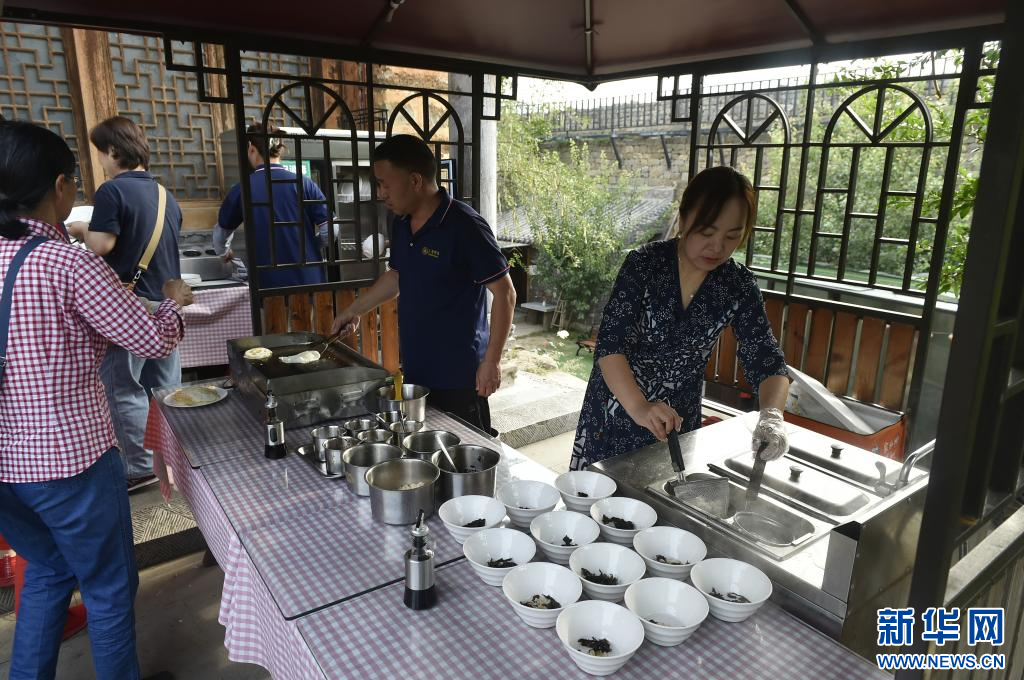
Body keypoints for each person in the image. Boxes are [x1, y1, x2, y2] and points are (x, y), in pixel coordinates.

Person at [0, 120, 192, 680]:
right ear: (60, 186)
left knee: (48, 571)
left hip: (7, 469)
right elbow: (150, 337)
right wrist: (173, 301)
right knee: (109, 588)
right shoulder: (67, 263)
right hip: (70, 461)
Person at [570, 166, 790, 471]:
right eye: (707, 232)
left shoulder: (737, 285)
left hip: (678, 420)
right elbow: (610, 346)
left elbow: (767, 359)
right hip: (618, 405)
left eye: (732, 236)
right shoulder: (644, 264)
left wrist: (772, 417)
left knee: (665, 491)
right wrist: (640, 406)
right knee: (600, 492)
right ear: (684, 219)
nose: (717, 247)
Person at [331, 134, 516, 434]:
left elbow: (505, 293)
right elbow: (397, 276)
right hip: (417, 372)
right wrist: (354, 311)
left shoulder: (465, 226)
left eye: (384, 184)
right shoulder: (402, 222)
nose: (380, 193)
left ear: (415, 180)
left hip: (459, 377)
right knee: (421, 450)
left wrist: (492, 361)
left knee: (464, 454)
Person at [67, 116, 184, 491]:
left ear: (113, 151)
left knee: (124, 388)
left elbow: (102, 244)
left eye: (100, 153)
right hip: (164, 306)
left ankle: (139, 467)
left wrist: (81, 229)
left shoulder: (111, 191)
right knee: (165, 389)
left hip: (129, 308)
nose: (101, 161)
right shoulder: (165, 195)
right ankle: (172, 458)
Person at [213, 123, 331, 289]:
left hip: (268, 284)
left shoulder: (243, 189)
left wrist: (225, 252)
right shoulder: (304, 183)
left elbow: (221, 234)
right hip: (310, 280)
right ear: (279, 150)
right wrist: (311, 245)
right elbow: (332, 230)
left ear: (251, 148)